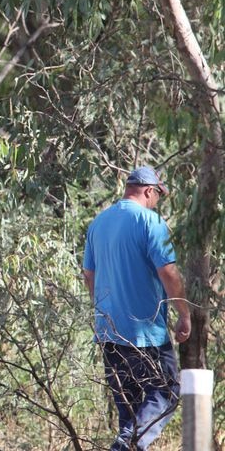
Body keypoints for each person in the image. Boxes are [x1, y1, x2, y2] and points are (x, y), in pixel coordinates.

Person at [82, 166, 191, 451]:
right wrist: (184, 313)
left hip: (108, 332)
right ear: (148, 191)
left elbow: (88, 275)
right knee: (166, 393)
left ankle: (125, 443)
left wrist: (105, 310)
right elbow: (168, 272)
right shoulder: (150, 222)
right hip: (145, 334)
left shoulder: (98, 223)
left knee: (129, 413)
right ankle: (123, 447)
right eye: (157, 195)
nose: (157, 201)